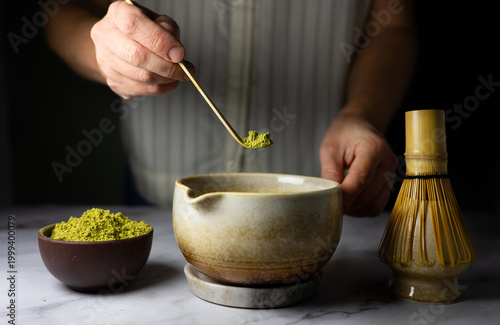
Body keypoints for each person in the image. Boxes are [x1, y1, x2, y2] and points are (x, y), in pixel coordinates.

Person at [45, 0, 417, 217]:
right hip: (161, 195)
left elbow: (391, 23)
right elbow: (60, 9)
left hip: (316, 193)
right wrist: (108, 53)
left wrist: (361, 114)